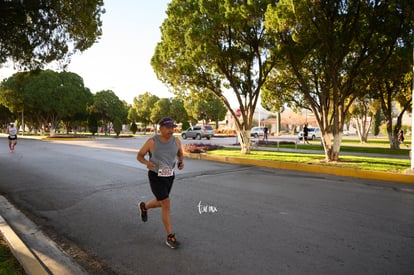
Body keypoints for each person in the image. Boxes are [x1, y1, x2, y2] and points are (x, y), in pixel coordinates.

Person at [136, 117, 184, 249]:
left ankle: (144, 206)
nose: (171, 130)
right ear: (161, 128)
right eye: (168, 128)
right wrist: (147, 163)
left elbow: (180, 153)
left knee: (161, 202)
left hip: (169, 176)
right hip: (155, 176)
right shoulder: (152, 141)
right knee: (166, 202)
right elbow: (139, 155)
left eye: (172, 128)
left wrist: (181, 162)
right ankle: (170, 237)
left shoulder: (177, 141)